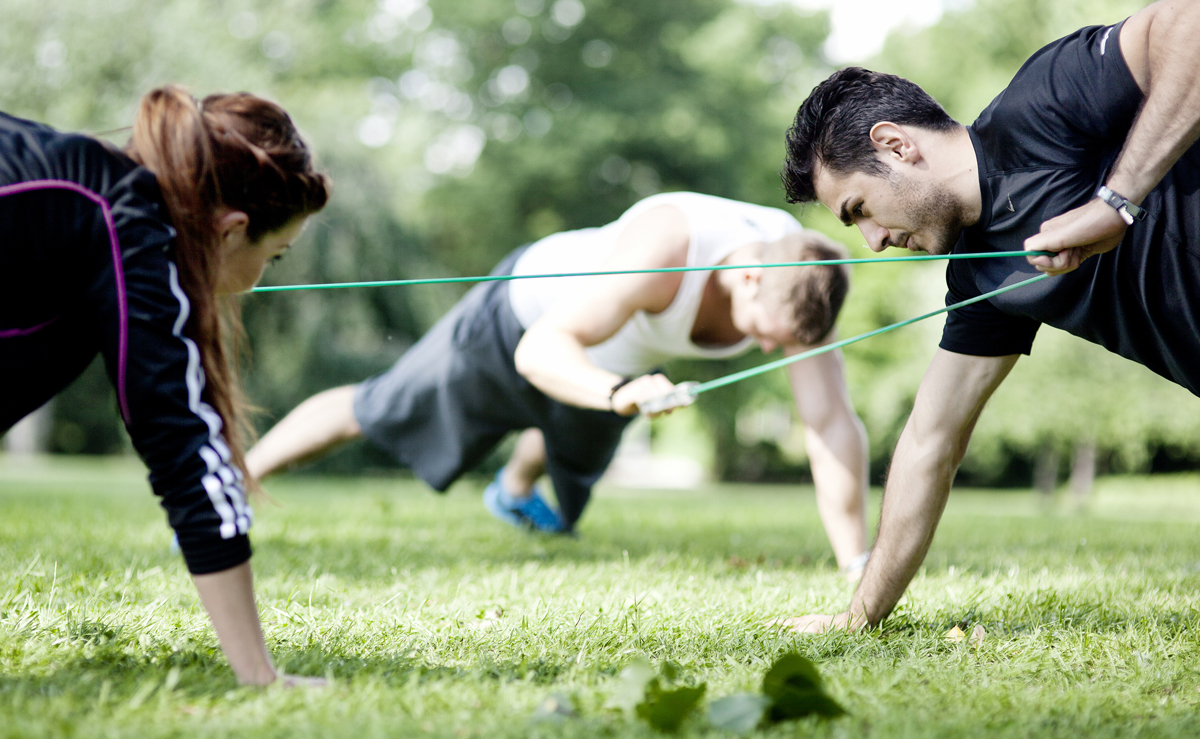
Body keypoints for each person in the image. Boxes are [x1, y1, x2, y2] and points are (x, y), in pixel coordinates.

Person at [777, 0, 1200, 631]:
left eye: (859, 208)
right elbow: (930, 441)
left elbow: (1190, 24)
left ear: (895, 145)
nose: (873, 240)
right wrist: (859, 616)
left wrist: (1117, 200)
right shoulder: (981, 280)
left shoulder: (1041, 102)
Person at [247, 192, 871, 577]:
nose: (769, 349)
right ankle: (238, 478)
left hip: (612, 367)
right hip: (523, 320)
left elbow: (830, 423)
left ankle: (513, 489)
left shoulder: (800, 280)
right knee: (378, 407)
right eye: (762, 334)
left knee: (568, 480)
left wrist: (855, 564)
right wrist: (616, 394)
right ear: (751, 279)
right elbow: (540, 351)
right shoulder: (670, 247)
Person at [1, 86, 331, 683]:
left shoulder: (82, 187)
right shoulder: (122, 220)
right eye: (276, 256)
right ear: (231, 230)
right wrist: (260, 676)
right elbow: (184, 447)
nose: (262, 278)